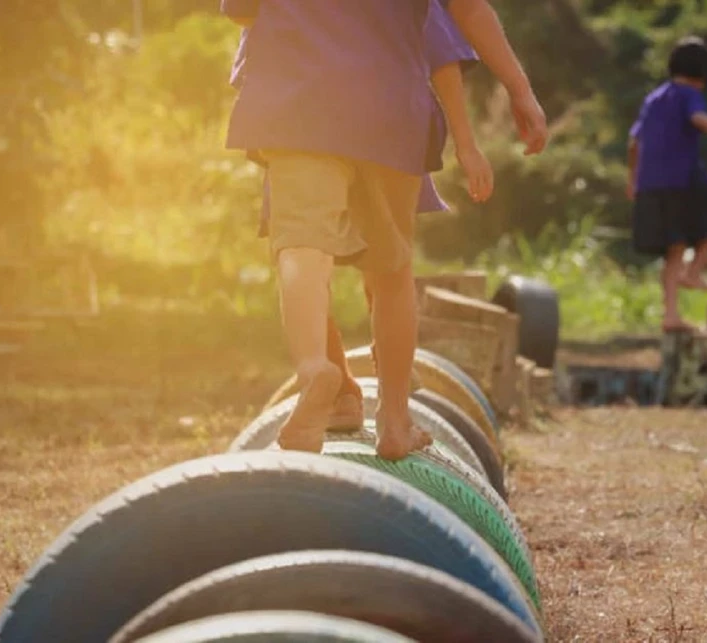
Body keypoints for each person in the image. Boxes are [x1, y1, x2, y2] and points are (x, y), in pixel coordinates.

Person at [221, 0, 546, 459]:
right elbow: (470, 11)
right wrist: (519, 90)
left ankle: (316, 369)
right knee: (391, 272)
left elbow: (242, 12)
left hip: (295, 106)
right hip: (388, 108)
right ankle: (395, 422)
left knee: (301, 245)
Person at [626, 36, 707, 331]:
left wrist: (632, 179)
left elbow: (633, 142)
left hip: (652, 183)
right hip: (681, 179)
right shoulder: (688, 94)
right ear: (703, 72)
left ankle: (670, 315)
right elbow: (698, 119)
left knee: (674, 248)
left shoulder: (653, 98)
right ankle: (694, 272)